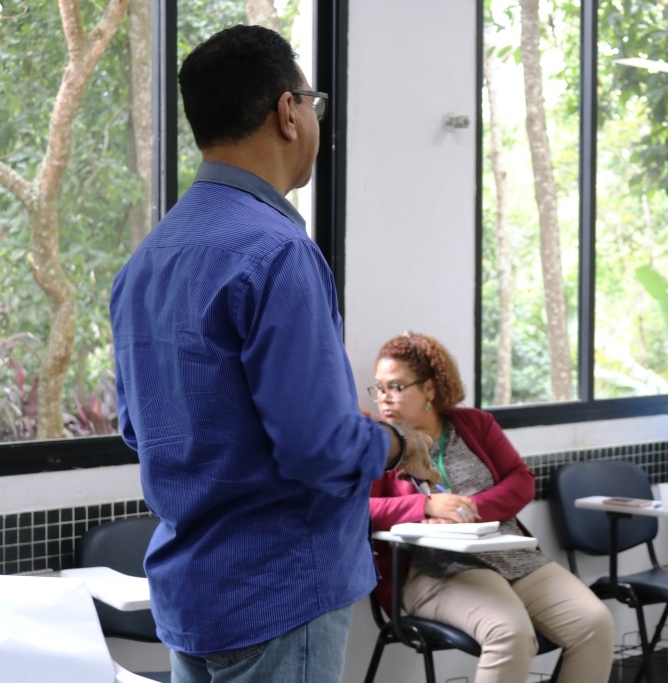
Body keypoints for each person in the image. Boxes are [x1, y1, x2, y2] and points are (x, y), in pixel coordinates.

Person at [110, 25, 436, 683]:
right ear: (288, 111)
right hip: (278, 595)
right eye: (312, 103)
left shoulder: (148, 260)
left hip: (193, 595)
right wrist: (401, 443)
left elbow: (138, 429)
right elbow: (318, 449)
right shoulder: (278, 252)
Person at [369, 332, 615, 683]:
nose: (384, 398)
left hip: (512, 557)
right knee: (509, 633)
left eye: (395, 387)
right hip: (435, 570)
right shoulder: (378, 442)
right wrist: (426, 505)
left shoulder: (473, 424)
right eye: (378, 388)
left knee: (595, 623)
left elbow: (521, 480)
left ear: (429, 389)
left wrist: (469, 510)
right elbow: (361, 508)